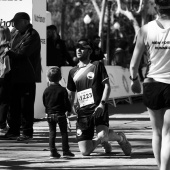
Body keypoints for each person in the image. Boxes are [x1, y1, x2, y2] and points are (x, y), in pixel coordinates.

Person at [67, 38, 132, 156]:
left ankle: (120, 138)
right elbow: (71, 94)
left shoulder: (97, 65)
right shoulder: (72, 72)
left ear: (89, 51)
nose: (79, 50)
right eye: (77, 47)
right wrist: (69, 108)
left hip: (99, 108)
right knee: (85, 151)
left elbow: (107, 86)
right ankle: (102, 141)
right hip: (83, 113)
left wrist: (102, 103)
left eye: (82, 47)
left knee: (102, 134)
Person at [130, 0, 170, 169]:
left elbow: (133, 64)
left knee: (157, 132)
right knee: (168, 133)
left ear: (156, 7)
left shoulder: (145, 29)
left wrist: (134, 81)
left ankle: (160, 167)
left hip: (152, 83)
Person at [4, 12, 41, 141]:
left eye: (17, 21)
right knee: (13, 105)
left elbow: (23, 53)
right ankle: (13, 131)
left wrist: (7, 52)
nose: (14, 24)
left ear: (25, 21)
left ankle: (27, 133)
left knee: (26, 106)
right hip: (13, 76)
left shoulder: (33, 35)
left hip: (27, 77)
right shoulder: (15, 33)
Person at [43, 66, 75, 159]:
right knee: (64, 133)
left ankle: (53, 151)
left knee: (52, 132)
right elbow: (66, 102)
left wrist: (48, 111)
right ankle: (65, 150)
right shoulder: (62, 90)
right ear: (60, 78)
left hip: (50, 114)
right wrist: (68, 110)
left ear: (48, 78)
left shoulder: (46, 90)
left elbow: (45, 102)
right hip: (60, 114)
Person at [0, 26, 11, 133]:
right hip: (3, 77)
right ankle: (2, 125)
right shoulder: (7, 48)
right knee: (3, 102)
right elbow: (7, 67)